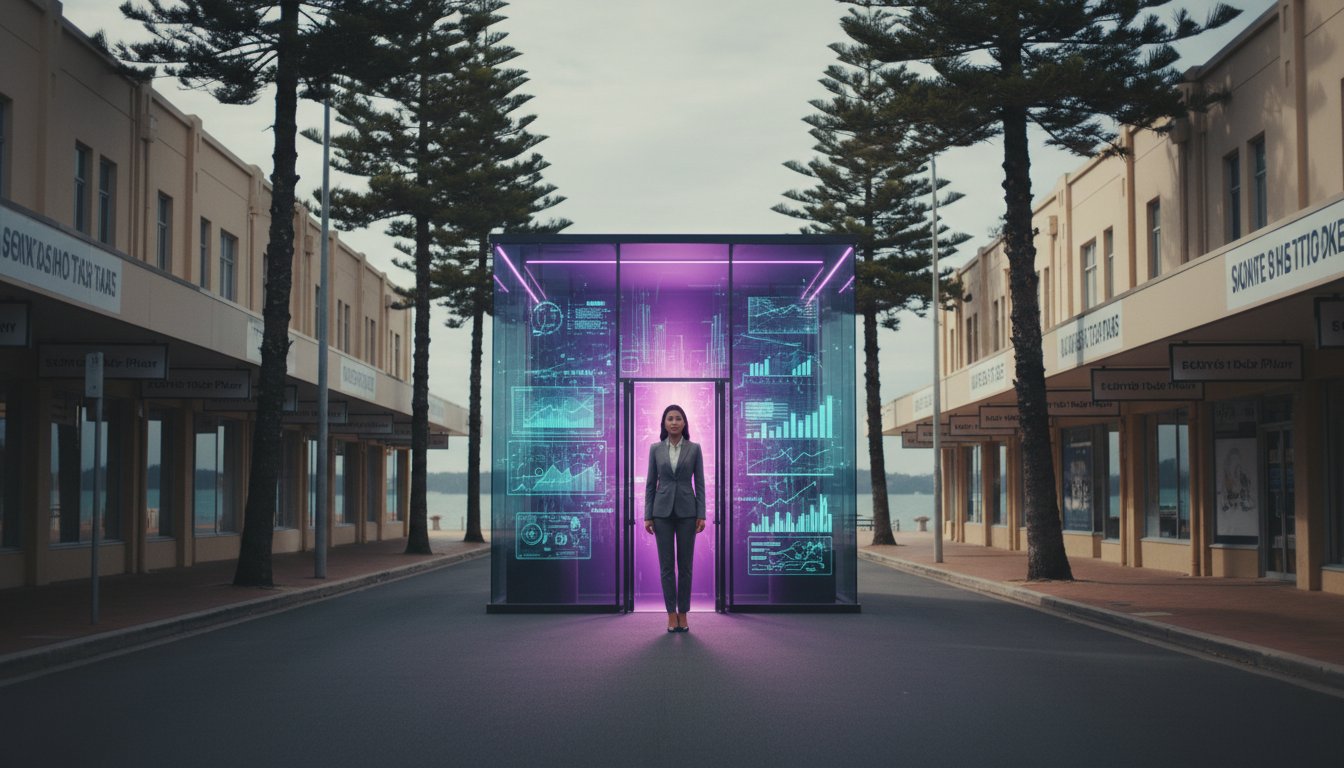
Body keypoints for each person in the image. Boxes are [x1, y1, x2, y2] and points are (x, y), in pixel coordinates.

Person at [644, 404, 706, 633]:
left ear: (684, 423)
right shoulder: (655, 449)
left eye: (678, 418)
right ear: (664, 423)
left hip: (688, 513)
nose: (673, 422)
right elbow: (650, 484)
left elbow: (699, 483)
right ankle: (671, 614)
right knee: (667, 567)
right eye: (669, 418)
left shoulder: (695, 448)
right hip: (661, 514)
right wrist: (647, 515)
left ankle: (683, 613)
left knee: (686, 567)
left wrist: (702, 514)